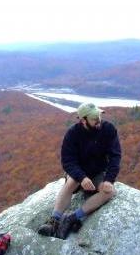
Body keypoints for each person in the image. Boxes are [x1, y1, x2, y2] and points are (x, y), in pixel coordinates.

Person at [38, 102, 122, 239]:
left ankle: (72, 217)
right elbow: (68, 161)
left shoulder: (108, 129)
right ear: (83, 120)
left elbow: (115, 156)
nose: (99, 120)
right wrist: (82, 177)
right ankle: (54, 220)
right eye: (94, 118)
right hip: (79, 171)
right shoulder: (72, 134)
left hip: (99, 171)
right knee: (71, 182)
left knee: (109, 192)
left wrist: (109, 179)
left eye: (99, 116)